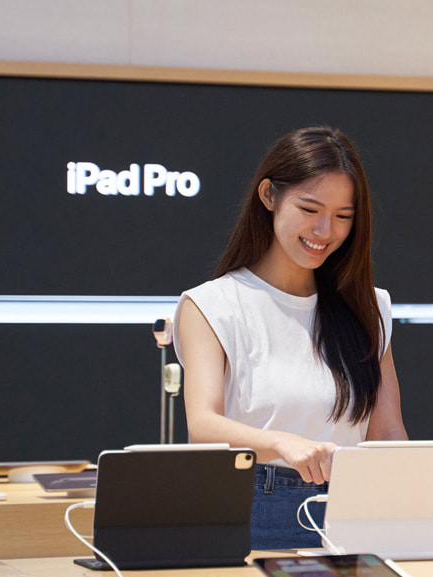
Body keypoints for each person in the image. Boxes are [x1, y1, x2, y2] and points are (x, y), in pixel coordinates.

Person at [174, 126, 407, 549]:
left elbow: (388, 433)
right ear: (269, 196)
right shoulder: (212, 305)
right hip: (253, 508)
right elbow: (203, 427)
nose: (324, 230)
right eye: (309, 208)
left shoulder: (368, 307)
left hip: (355, 507)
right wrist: (284, 443)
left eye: (343, 217)